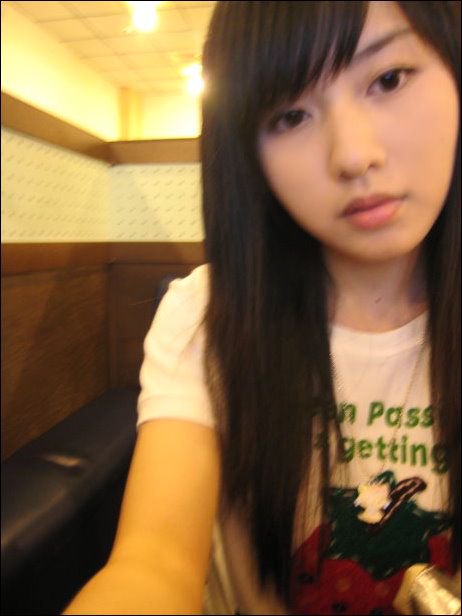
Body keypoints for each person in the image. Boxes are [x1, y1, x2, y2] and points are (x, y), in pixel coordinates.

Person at [63, 1, 460, 614]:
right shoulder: (207, 313)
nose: (353, 155)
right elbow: (153, 562)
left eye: (388, 79)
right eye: (291, 115)